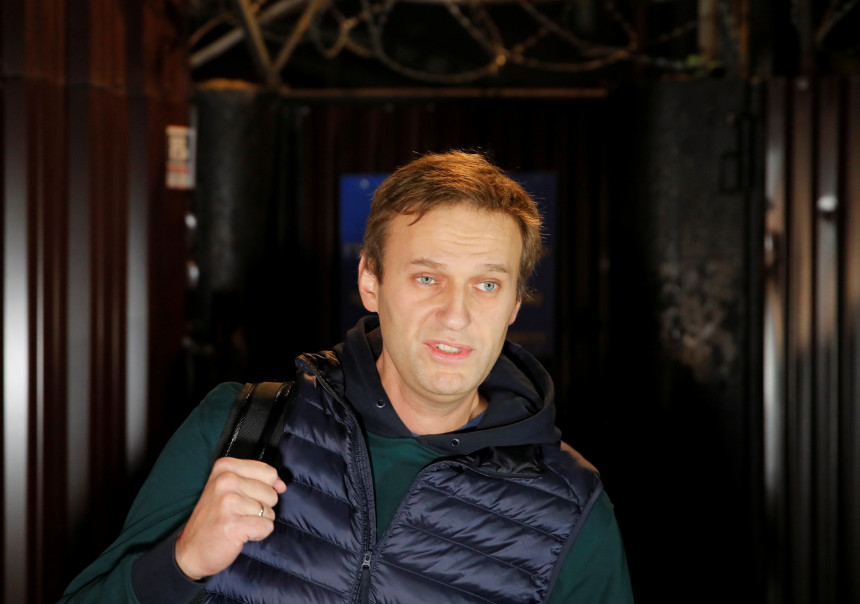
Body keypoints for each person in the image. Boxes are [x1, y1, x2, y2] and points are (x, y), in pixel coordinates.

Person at [61, 150, 633, 603]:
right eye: (427, 278)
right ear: (370, 282)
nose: (456, 314)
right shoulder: (241, 427)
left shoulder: (569, 503)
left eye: (487, 284)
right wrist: (181, 562)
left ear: (513, 305)